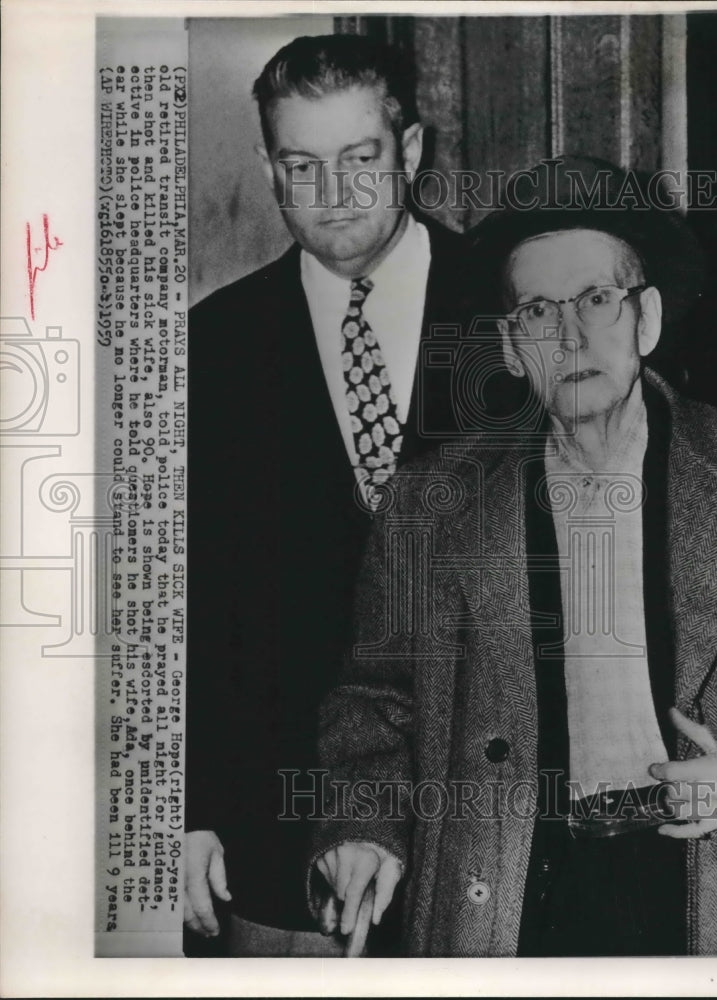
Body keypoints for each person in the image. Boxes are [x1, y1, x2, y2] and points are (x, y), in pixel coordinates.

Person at [311, 157, 717, 956]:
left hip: (715, 890)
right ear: (510, 345)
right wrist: (364, 825)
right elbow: (373, 700)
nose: (569, 336)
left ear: (647, 318)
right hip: (508, 896)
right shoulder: (429, 504)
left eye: (597, 299)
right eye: (537, 311)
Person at [183, 33, 512, 956]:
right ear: (268, 169)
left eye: (360, 159)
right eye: (302, 165)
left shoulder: (513, 312)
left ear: (409, 150)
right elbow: (186, 597)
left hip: (485, 830)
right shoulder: (212, 347)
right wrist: (192, 805)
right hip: (273, 841)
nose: (332, 192)